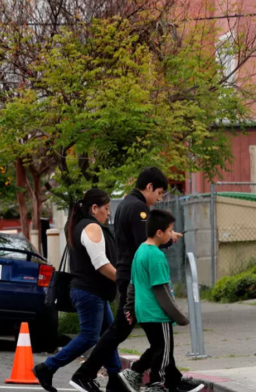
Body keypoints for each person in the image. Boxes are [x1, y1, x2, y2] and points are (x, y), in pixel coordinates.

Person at [69, 167, 189, 392]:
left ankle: (166, 378)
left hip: (129, 276)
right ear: (149, 187)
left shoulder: (125, 203)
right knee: (140, 332)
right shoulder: (138, 207)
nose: (158, 199)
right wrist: (169, 239)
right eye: (160, 193)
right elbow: (146, 241)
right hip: (136, 279)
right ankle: (90, 374)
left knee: (141, 334)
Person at [33, 189, 121, 392]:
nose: (108, 213)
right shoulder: (91, 227)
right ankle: (47, 367)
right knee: (90, 336)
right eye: (106, 209)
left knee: (109, 335)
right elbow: (100, 264)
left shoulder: (79, 225)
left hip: (92, 292)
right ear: (94, 208)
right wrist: (124, 279)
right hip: (89, 292)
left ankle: (116, 377)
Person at [120, 210, 203, 392]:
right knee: (164, 351)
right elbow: (162, 291)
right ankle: (157, 384)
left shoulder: (140, 251)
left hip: (144, 311)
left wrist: (130, 308)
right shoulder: (156, 256)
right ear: (159, 232)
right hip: (157, 312)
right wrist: (179, 316)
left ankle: (141, 375)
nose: (171, 235)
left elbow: (132, 285)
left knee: (157, 348)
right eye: (169, 231)